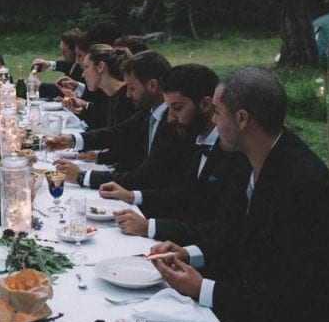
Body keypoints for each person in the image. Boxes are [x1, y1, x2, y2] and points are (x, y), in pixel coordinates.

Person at [149, 67, 329, 322]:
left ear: (242, 119)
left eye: (217, 112)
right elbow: (238, 231)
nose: (213, 121)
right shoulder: (260, 158)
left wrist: (203, 289)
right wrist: (189, 254)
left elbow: (294, 295)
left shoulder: (306, 189)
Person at [97, 64, 249, 245]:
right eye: (168, 108)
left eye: (177, 108)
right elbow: (184, 194)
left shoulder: (234, 153)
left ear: (206, 104)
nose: (170, 118)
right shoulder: (195, 136)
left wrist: (151, 227)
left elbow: (224, 228)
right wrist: (132, 196)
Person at [51, 50, 188, 177]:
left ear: (152, 86)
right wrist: (72, 140)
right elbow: (119, 131)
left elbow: (145, 173)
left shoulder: (172, 121)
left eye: (132, 88)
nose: (128, 94)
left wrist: (83, 176)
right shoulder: (149, 111)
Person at [61, 44, 136, 130]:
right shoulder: (113, 95)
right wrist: (82, 110)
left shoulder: (127, 99)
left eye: (86, 67)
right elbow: (103, 123)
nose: (83, 75)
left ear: (100, 67)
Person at [32, 28, 84, 99]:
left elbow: (66, 91)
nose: (62, 54)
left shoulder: (83, 67)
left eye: (64, 51)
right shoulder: (77, 62)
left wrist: (40, 86)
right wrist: (49, 64)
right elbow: (69, 65)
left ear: (75, 50)